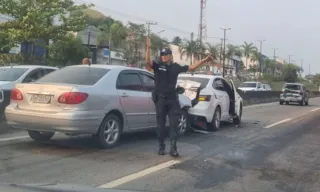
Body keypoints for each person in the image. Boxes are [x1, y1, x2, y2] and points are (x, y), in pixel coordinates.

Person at [145, 37, 213, 157]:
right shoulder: (158, 66)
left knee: (173, 124)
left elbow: (191, 67)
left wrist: (204, 60)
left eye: (166, 55)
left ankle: (173, 148)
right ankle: (161, 146)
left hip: (172, 100)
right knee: (160, 125)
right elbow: (148, 63)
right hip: (160, 100)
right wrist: (148, 48)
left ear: (171, 56)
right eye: (162, 55)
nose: (164, 56)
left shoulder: (175, 67)